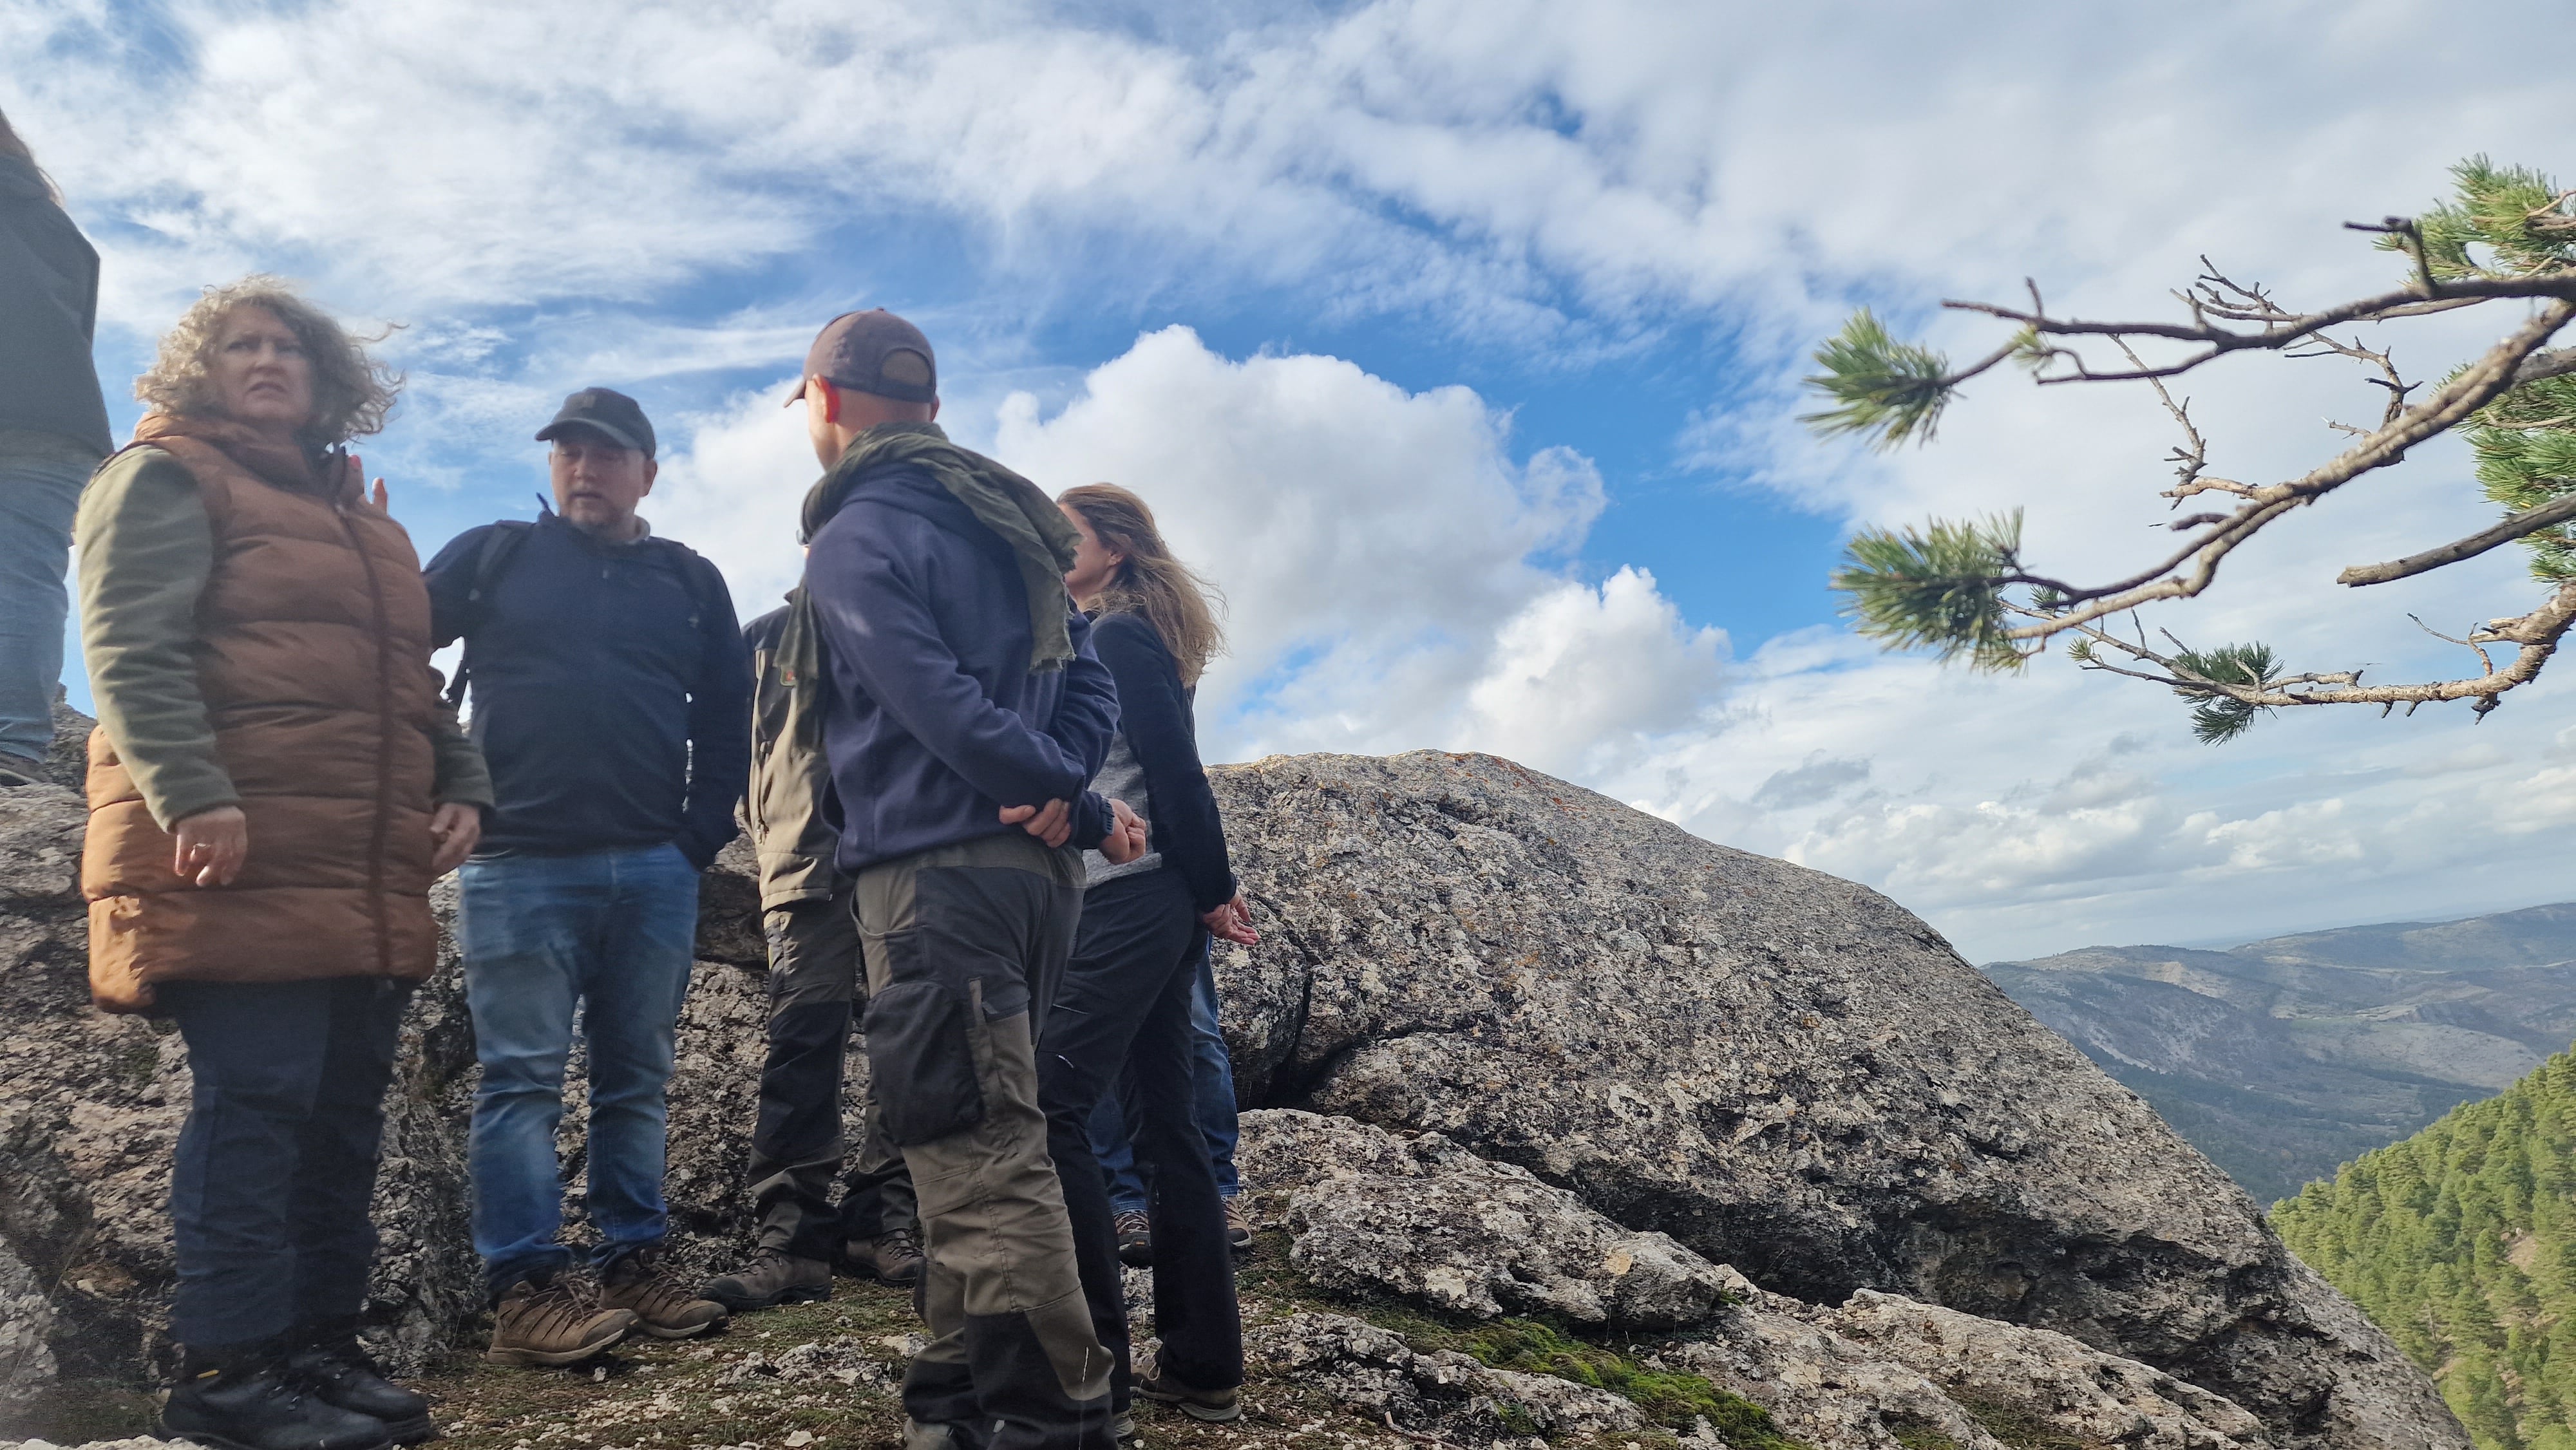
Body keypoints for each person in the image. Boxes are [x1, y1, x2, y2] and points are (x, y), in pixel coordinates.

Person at [80, 277, 490, 1450]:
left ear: (327, 380)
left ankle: (315, 1347)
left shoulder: (369, 524)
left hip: (360, 869)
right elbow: (127, 647)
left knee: (341, 1116)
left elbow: (405, 680)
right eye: (241, 344)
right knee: (258, 1105)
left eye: (288, 348)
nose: (265, 361)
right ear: (202, 367)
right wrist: (191, 794)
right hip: (236, 852)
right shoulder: (162, 475)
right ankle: (230, 1369)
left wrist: (461, 783)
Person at [793, 307, 1146, 1450]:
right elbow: (1091, 683)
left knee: (979, 1156)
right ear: (931, 408)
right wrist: (1065, 786)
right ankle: (950, 1405)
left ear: (826, 403)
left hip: (936, 882)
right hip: (1038, 887)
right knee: (973, 1138)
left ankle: (1058, 1421)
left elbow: (931, 700)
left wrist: (1068, 793)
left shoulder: (857, 537)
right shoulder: (1013, 529)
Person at [424, 387, 750, 1365]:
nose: (585, 467)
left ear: (647, 473)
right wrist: (447, 772)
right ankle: (524, 1290)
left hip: (655, 867)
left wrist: (696, 837)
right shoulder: (495, 554)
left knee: (637, 1081)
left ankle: (632, 1261)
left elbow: (727, 718)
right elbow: (391, 648)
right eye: (569, 450)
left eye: (609, 454)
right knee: (521, 1080)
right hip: (517, 862)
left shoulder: (689, 581)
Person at [1037, 484, 1257, 1426]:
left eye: (1068, 535)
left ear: (1117, 550)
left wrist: (1211, 887)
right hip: (1147, 896)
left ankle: (1094, 1379)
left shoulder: (1117, 636)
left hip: (1130, 897)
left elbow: (1176, 771)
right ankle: (1204, 1364)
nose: (1051, 547)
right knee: (1168, 1128)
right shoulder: (1108, 636)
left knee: (1049, 1107)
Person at [697, 596, 925, 1312]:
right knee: (801, 1045)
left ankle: (881, 1220)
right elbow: (731, 744)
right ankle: (791, 1241)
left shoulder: (913, 628)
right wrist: (768, 828)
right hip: (800, 865)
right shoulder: (764, 637)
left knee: (908, 1044)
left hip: (904, 862)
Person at [0, 109, 110, 786]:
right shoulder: (55, 225)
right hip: (59, 417)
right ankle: (14, 748)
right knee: (26, 578)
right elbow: (78, 328)